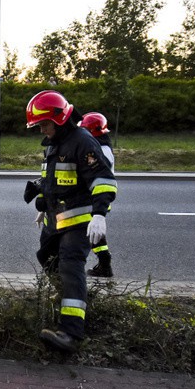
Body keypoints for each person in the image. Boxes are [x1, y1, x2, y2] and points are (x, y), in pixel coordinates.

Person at [24, 90, 117, 352]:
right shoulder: (53, 144)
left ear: (59, 119)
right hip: (56, 218)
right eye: (39, 126)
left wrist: (99, 214)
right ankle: (72, 294)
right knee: (45, 257)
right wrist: (41, 201)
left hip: (80, 218)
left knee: (70, 264)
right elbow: (52, 180)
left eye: (44, 124)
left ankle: (71, 334)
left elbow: (103, 180)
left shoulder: (83, 142)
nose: (42, 130)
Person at [79, 112, 115, 277]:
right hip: (99, 197)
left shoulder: (99, 150)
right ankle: (104, 262)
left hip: (96, 197)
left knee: (90, 232)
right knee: (95, 233)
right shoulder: (104, 147)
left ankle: (104, 263)